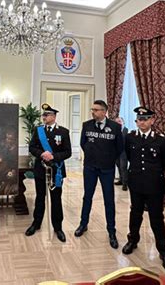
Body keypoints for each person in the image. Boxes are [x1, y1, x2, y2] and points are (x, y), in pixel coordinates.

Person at [121, 107, 165, 273]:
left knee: (156, 217)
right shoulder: (130, 138)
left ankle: (163, 251)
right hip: (136, 182)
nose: (141, 122)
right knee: (135, 213)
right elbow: (129, 156)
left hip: (154, 185)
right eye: (139, 120)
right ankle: (133, 240)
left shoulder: (161, 140)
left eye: (145, 119)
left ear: (152, 121)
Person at [75, 100, 123, 249]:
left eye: (96, 110)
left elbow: (119, 148)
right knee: (87, 196)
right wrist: (92, 155)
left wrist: (107, 159)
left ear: (104, 111)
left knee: (109, 199)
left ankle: (111, 231)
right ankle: (83, 224)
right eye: (92, 109)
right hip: (90, 167)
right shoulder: (87, 125)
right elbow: (83, 143)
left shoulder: (115, 127)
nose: (93, 112)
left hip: (107, 169)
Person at [25, 103, 71, 242]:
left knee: (56, 199)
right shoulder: (38, 130)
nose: (44, 117)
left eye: (47, 114)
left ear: (54, 116)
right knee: (40, 197)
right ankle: (36, 223)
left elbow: (67, 152)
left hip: (56, 170)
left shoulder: (63, 132)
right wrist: (42, 153)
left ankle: (58, 227)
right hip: (41, 169)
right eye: (43, 115)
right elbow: (32, 147)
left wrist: (53, 157)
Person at [114, 117, 129, 191]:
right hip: (116, 152)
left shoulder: (126, 130)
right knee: (119, 166)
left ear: (123, 122)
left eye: (119, 121)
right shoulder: (115, 130)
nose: (118, 123)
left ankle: (125, 184)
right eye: (116, 122)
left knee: (123, 167)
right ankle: (121, 180)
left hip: (124, 152)